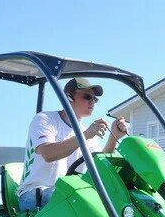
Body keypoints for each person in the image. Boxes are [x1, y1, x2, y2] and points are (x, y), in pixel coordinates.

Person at [17, 77, 128, 210]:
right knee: (79, 199)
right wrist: (85, 135)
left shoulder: (85, 132)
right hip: (33, 195)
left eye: (95, 99)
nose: (93, 102)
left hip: (67, 193)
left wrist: (113, 137)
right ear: (68, 97)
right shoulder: (45, 119)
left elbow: (100, 166)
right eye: (87, 97)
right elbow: (48, 153)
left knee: (111, 199)